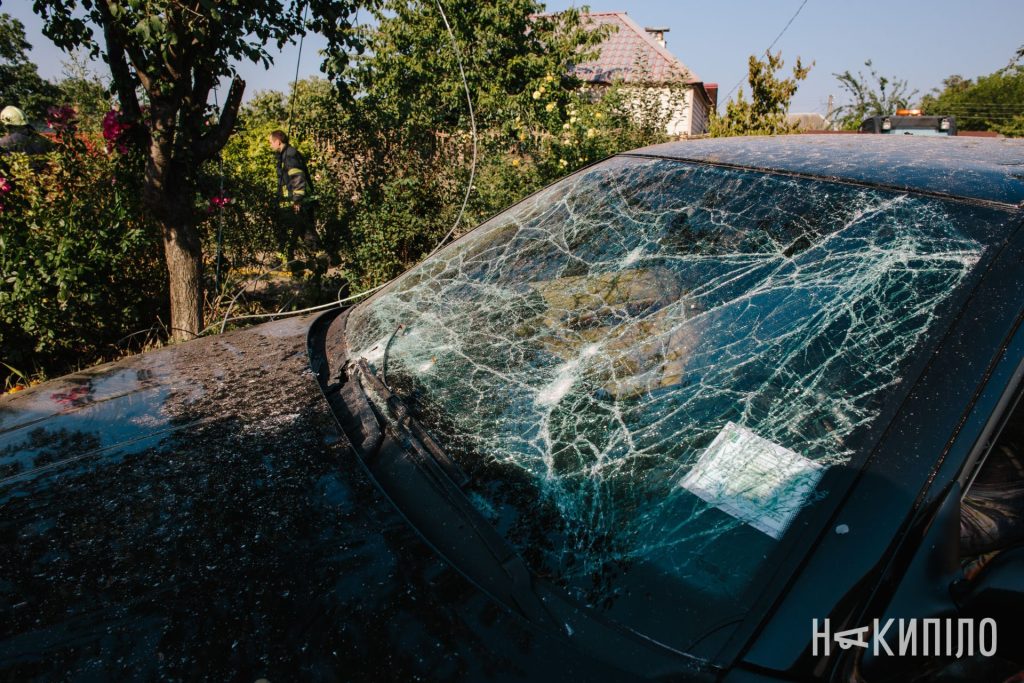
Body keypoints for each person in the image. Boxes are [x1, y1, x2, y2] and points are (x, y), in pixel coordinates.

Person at [268, 129, 322, 272]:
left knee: (303, 231)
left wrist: (297, 200)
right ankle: (301, 263)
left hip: (300, 202)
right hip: (295, 201)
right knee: (297, 231)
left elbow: (297, 177)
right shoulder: (284, 155)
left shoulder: (289, 155)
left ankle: (319, 261)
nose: (270, 145)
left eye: (271, 142)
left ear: (278, 141)